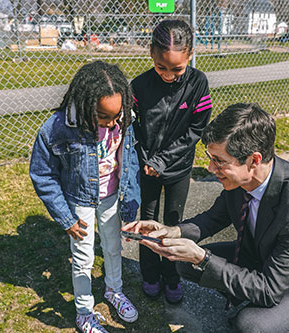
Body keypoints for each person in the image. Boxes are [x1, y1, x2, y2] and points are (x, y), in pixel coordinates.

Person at [124, 103, 289, 332]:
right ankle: (252, 299)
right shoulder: (241, 180)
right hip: (264, 258)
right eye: (210, 157)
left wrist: (203, 258)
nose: (209, 168)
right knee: (184, 262)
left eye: (218, 160)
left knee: (249, 325)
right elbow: (212, 219)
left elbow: (270, 289)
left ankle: (278, 317)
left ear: (254, 160)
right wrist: (170, 231)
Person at [29, 61, 141, 333]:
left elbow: (130, 157)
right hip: (80, 201)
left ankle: (114, 290)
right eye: (104, 117)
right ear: (85, 104)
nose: (113, 123)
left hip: (113, 195)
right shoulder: (57, 128)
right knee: (83, 257)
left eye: (117, 115)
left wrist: (131, 202)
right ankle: (83, 311)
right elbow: (43, 175)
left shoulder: (124, 118)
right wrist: (66, 218)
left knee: (114, 248)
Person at [131, 19, 212, 304]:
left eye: (176, 69)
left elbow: (196, 130)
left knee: (174, 222)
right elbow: (134, 128)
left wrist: (163, 161)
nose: (168, 75)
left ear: (190, 54)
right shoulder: (138, 85)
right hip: (147, 168)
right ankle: (151, 275)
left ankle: (172, 275)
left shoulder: (198, 82)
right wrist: (146, 160)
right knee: (148, 223)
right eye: (161, 67)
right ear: (151, 53)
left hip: (178, 168)